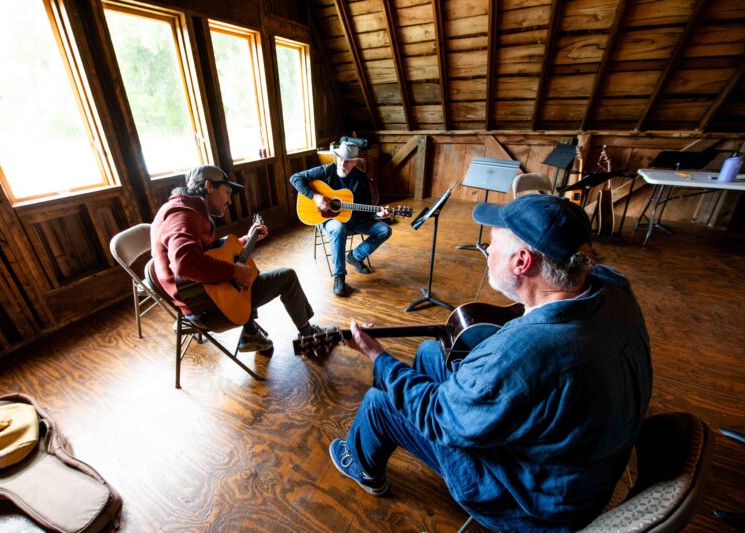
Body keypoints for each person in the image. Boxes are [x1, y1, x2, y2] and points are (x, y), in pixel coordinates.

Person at [328, 194, 653, 531]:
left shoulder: (523, 352)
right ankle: (424, 422)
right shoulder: (612, 285)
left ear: (522, 261)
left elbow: (439, 415)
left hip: (532, 504)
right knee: (430, 352)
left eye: (491, 244)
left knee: (380, 402)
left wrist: (375, 354)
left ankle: (363, 466)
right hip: (582, 468)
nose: (486, 250)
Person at [151, 164, 325, 353]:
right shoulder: (182, 213)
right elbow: (185, 262)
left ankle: (250, 332)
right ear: (209, 186)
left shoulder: (189, 208)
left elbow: (212, 253)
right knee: (286, 277)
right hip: (206, 306)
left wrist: (247, 240)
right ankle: (306, 334)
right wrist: (233, 271)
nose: (230, 200)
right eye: (227, 192)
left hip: (204, 296)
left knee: (249, 273)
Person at [290, 141, 392, 297]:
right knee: (339, 227)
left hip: (355, 220)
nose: (342, 163)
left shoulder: (361, 178)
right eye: (340, 158)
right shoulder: (327, 170)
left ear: (355, 162)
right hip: (328, 219)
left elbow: (366, 207)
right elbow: (295, 178)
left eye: (348, 161)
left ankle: (355, 256)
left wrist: (377, 214)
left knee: (385, 230)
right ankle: (339, 277)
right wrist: (315, 196)